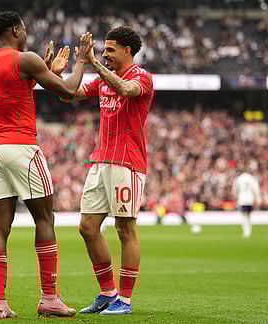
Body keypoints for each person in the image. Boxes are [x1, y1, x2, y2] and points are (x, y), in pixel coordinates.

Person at [0, 11, 92, 319]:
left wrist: (43, 70)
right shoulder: (26, 59)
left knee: (0, 227)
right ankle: (49, 298)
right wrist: (82, 60)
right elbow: (67, 92)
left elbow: (14, 90)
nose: (26, 34)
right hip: (22, 147)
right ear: (15, 30)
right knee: (44, 219)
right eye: (24, 30)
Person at [61, 26, 154, 315]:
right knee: (87, 227)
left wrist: (94, 64)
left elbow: (125, 89)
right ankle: (107, 292)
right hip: (100, 161)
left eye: (110, 50)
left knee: (125, 229)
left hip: (127, 163)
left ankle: (124, 301)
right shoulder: (101, 81)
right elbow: (69, 94)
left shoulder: (141, 77)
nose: (104, 55)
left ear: (128, 51)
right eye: (102, 50)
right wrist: (53, 74)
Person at [233, 164, 261, 238]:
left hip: (242, 199)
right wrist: (258, 198)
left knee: (244, 215)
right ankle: (249, 230)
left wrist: (236, 198)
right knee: (248, 215)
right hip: (250, 198)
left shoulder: (239, 178)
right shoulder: (251, 178)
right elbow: (256, 188)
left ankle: (246, 231)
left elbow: (235, 189)